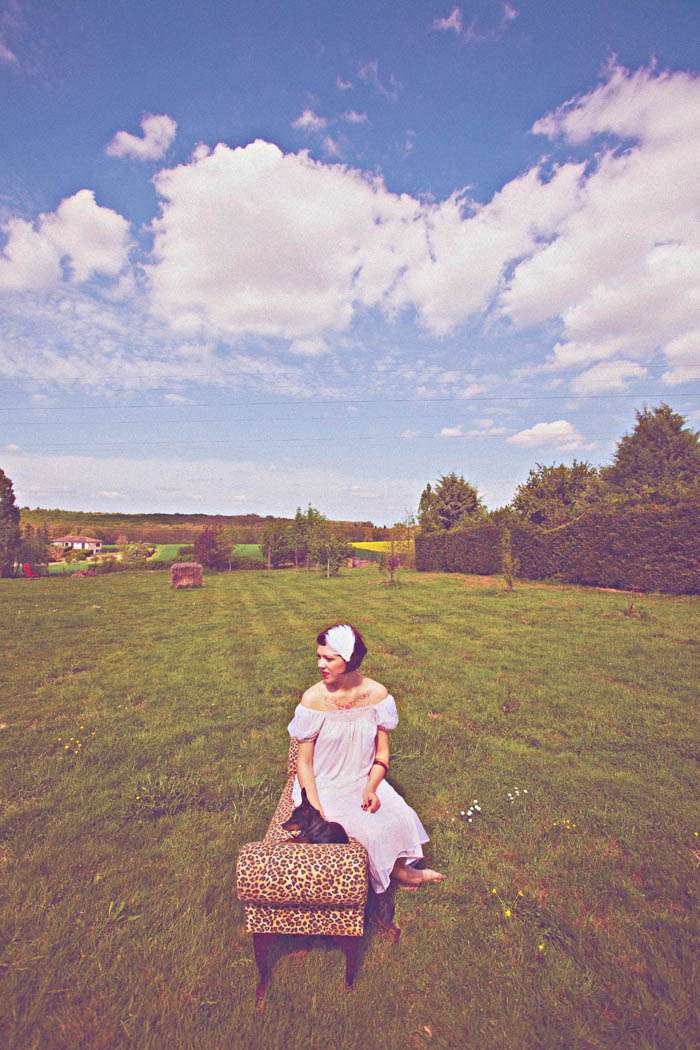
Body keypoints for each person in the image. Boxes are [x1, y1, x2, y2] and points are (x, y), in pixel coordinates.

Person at [287, 622, 445, 894]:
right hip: (324, 786)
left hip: (363, 779)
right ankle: (404, 874)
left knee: (402, 816)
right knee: (372, 830)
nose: (320, 664)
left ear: (349, 659)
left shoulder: (377, 695)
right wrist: (315, 806)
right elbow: (304, 763)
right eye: (319, 657)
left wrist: (371, 787)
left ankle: (396, 868)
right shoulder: (313, 700)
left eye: (329, 658)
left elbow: (382, 753)